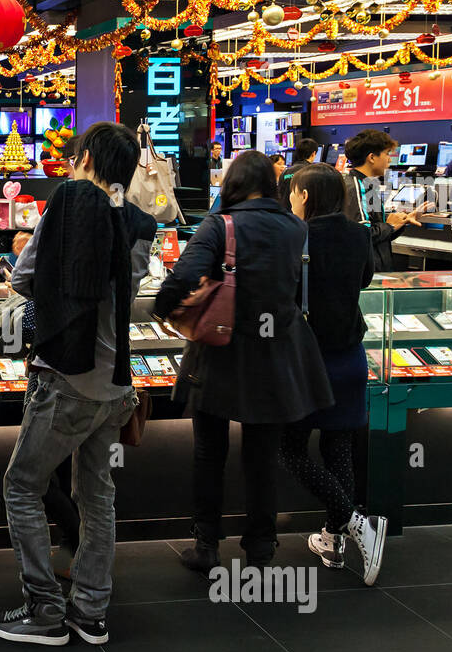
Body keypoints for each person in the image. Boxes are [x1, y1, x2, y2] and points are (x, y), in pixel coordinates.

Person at [0, 122, 150, 648]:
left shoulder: (67, 206)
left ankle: (44, 609)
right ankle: (90, 612)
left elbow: (22, 277)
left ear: (88, 162)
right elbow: (131, 286)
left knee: (21, 485)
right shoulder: (140, 225)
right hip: (115, 382)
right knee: (96, 492)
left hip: (65, 380)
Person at [155, 151, 333, 571]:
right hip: (277, 355)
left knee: (208, 451)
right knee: (261, 456)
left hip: (220, 352)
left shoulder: (221, 224)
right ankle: (260, 547)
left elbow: (183, 275)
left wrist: (163, 309)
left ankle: (207, 544)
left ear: (232, 183)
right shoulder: (295, 226)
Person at [279, 163, 387, 585]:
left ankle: (355, 522)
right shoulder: (358, 233)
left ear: (304, 195)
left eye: (292, 192)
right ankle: (333, 539)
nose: (289, 198)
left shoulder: (295, 236)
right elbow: (364, 280)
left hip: (307, 359)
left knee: (290, 448)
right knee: (338, 446)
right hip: (350, 354)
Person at [342, 130, 422, 271]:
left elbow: (378, 235)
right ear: (372, 157)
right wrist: (390, 225)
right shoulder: (356, 187)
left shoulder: (368, 185)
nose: (389, 160)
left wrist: (400, 224)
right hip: (365, 274)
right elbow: (361, 235)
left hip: (376, 270)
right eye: (387, 154)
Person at [279, 137, 319, 207]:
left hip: (285, 214)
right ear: (313, 154)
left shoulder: (285, 172)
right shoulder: (313, 172)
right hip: (303, 214)